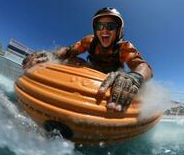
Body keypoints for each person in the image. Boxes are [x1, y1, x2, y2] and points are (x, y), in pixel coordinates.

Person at [22, 7, 153, 112]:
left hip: (113, 76)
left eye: (110, 26)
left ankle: (125, 83)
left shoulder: (124, 47)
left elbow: (143, 67)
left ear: (118, 30)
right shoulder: (89, 41)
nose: (104, 31)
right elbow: (68, 51)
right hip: (92, 69)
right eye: (100, 27)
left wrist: (134, 77)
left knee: (128, 78)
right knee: (72, 60)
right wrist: (49, 55)